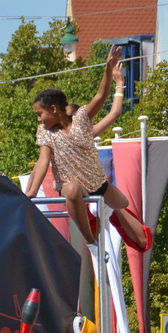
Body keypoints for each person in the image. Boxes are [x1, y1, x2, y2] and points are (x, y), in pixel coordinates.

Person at [24, 49, 141, 246]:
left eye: (39, 113)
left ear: (54, 109)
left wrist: (110, 71)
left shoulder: (83, 122)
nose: (38, 119)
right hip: (74, 186)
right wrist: (32, 192)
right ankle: (90, 240)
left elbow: (102, 96)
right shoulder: (45, 131)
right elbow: (42, 161)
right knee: (70, 189)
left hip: (97, 183)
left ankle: (124, 228)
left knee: (123, 205)